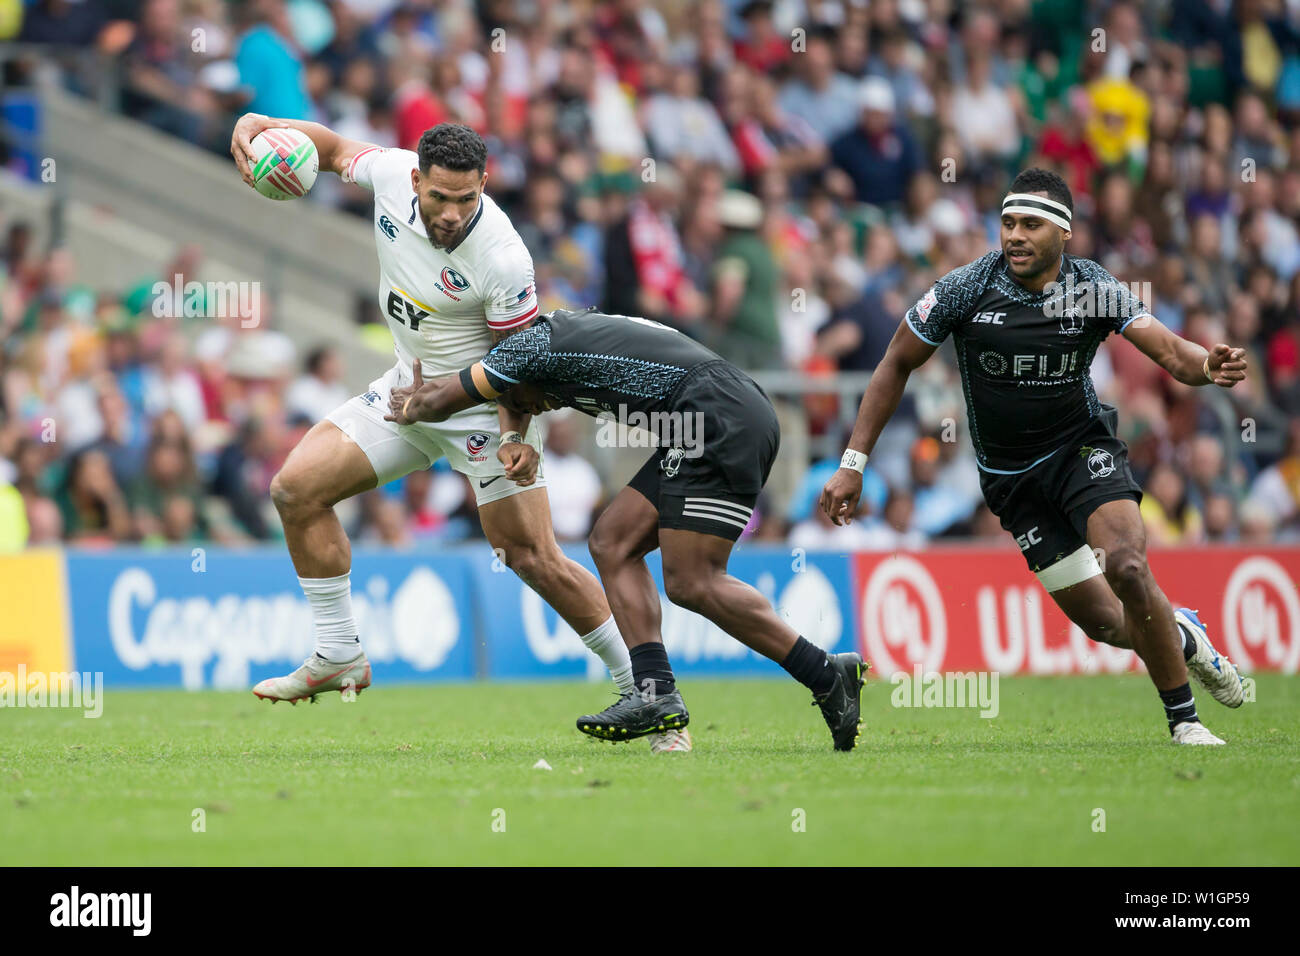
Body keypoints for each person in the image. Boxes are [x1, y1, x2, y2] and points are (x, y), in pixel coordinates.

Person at [228, 117, 677, 748]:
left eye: (467, 199)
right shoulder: (386, 176)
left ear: (484, 186)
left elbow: (517, 363)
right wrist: (258, 124)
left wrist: (516, 437)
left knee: (532, 557)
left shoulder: (502, 254)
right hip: (407, 392)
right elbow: (327, 149)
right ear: (415, 180)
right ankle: (338, 653)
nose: (452, 213)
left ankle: (647, 692)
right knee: (295, 490)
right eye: (440, 198)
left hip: (481, 404)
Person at [821, 167, 1248, 746]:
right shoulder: (964, 289)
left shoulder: (1093, 285)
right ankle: (1185, 634)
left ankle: (1185, 721)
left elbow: (1170, 351)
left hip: (1082, 450)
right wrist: (853, 461)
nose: (1015, 235)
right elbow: (895, 363)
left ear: (1064, 233)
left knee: (1126, 566)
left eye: (1030, 224)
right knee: (1108, 623)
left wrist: (1205, 366)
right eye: (1007, 223)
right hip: (1012, 483)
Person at [386, 307, 867, 751]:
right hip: (710, 415)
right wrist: (512, 437)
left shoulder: (528, 346)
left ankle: (825, 674)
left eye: (520, 399)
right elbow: (514, 391)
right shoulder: (541, 348)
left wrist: (412, 406)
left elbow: (447, 396)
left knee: (693, 582)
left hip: (717, 414)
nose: (543, 410)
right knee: (611, 543)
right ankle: (655, 692)